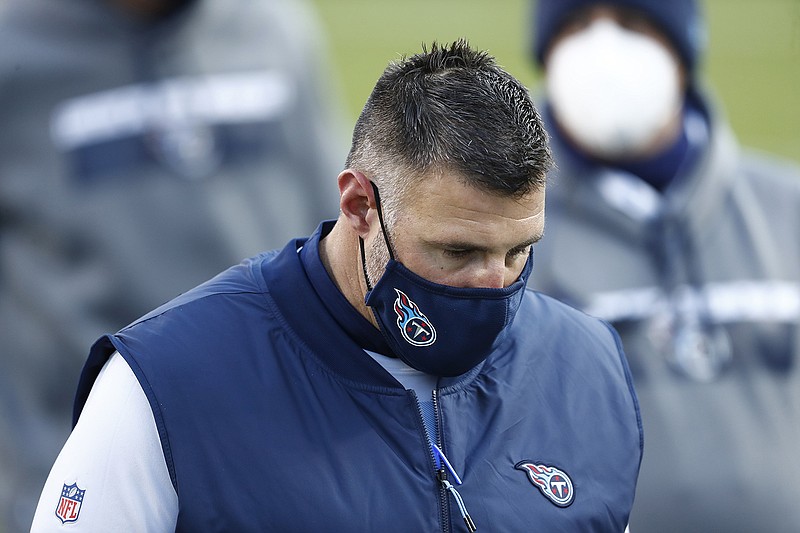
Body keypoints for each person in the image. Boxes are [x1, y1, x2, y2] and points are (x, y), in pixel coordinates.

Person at [31, 40, 642, 531]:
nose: (492, 287)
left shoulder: (587, 369)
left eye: (518, 252)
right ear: (359, 205)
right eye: (457, 251)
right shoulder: (165, 385)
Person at [0, 0, 346, 530]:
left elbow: (340, 250)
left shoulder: (273, 30)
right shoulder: (15, 51)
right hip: (82, 490)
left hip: (270, 485)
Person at [527, 1, 800, 531]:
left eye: (632, 23)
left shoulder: (788, 210)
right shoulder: (495, 239)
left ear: (679, 49)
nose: (603, 50)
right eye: (577, 26)